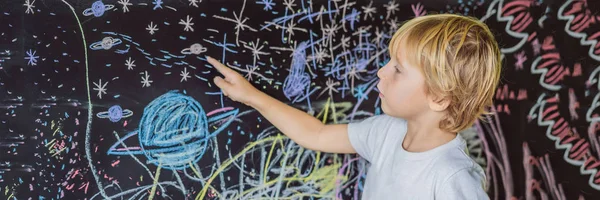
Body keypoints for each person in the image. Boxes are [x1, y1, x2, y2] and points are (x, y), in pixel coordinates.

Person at [208, 13, 500, 199]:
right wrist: (251, 96)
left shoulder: (452, 176)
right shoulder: (386, 133)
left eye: (398, 69)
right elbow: (317, 134)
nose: (382, 72)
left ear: (438, 97)